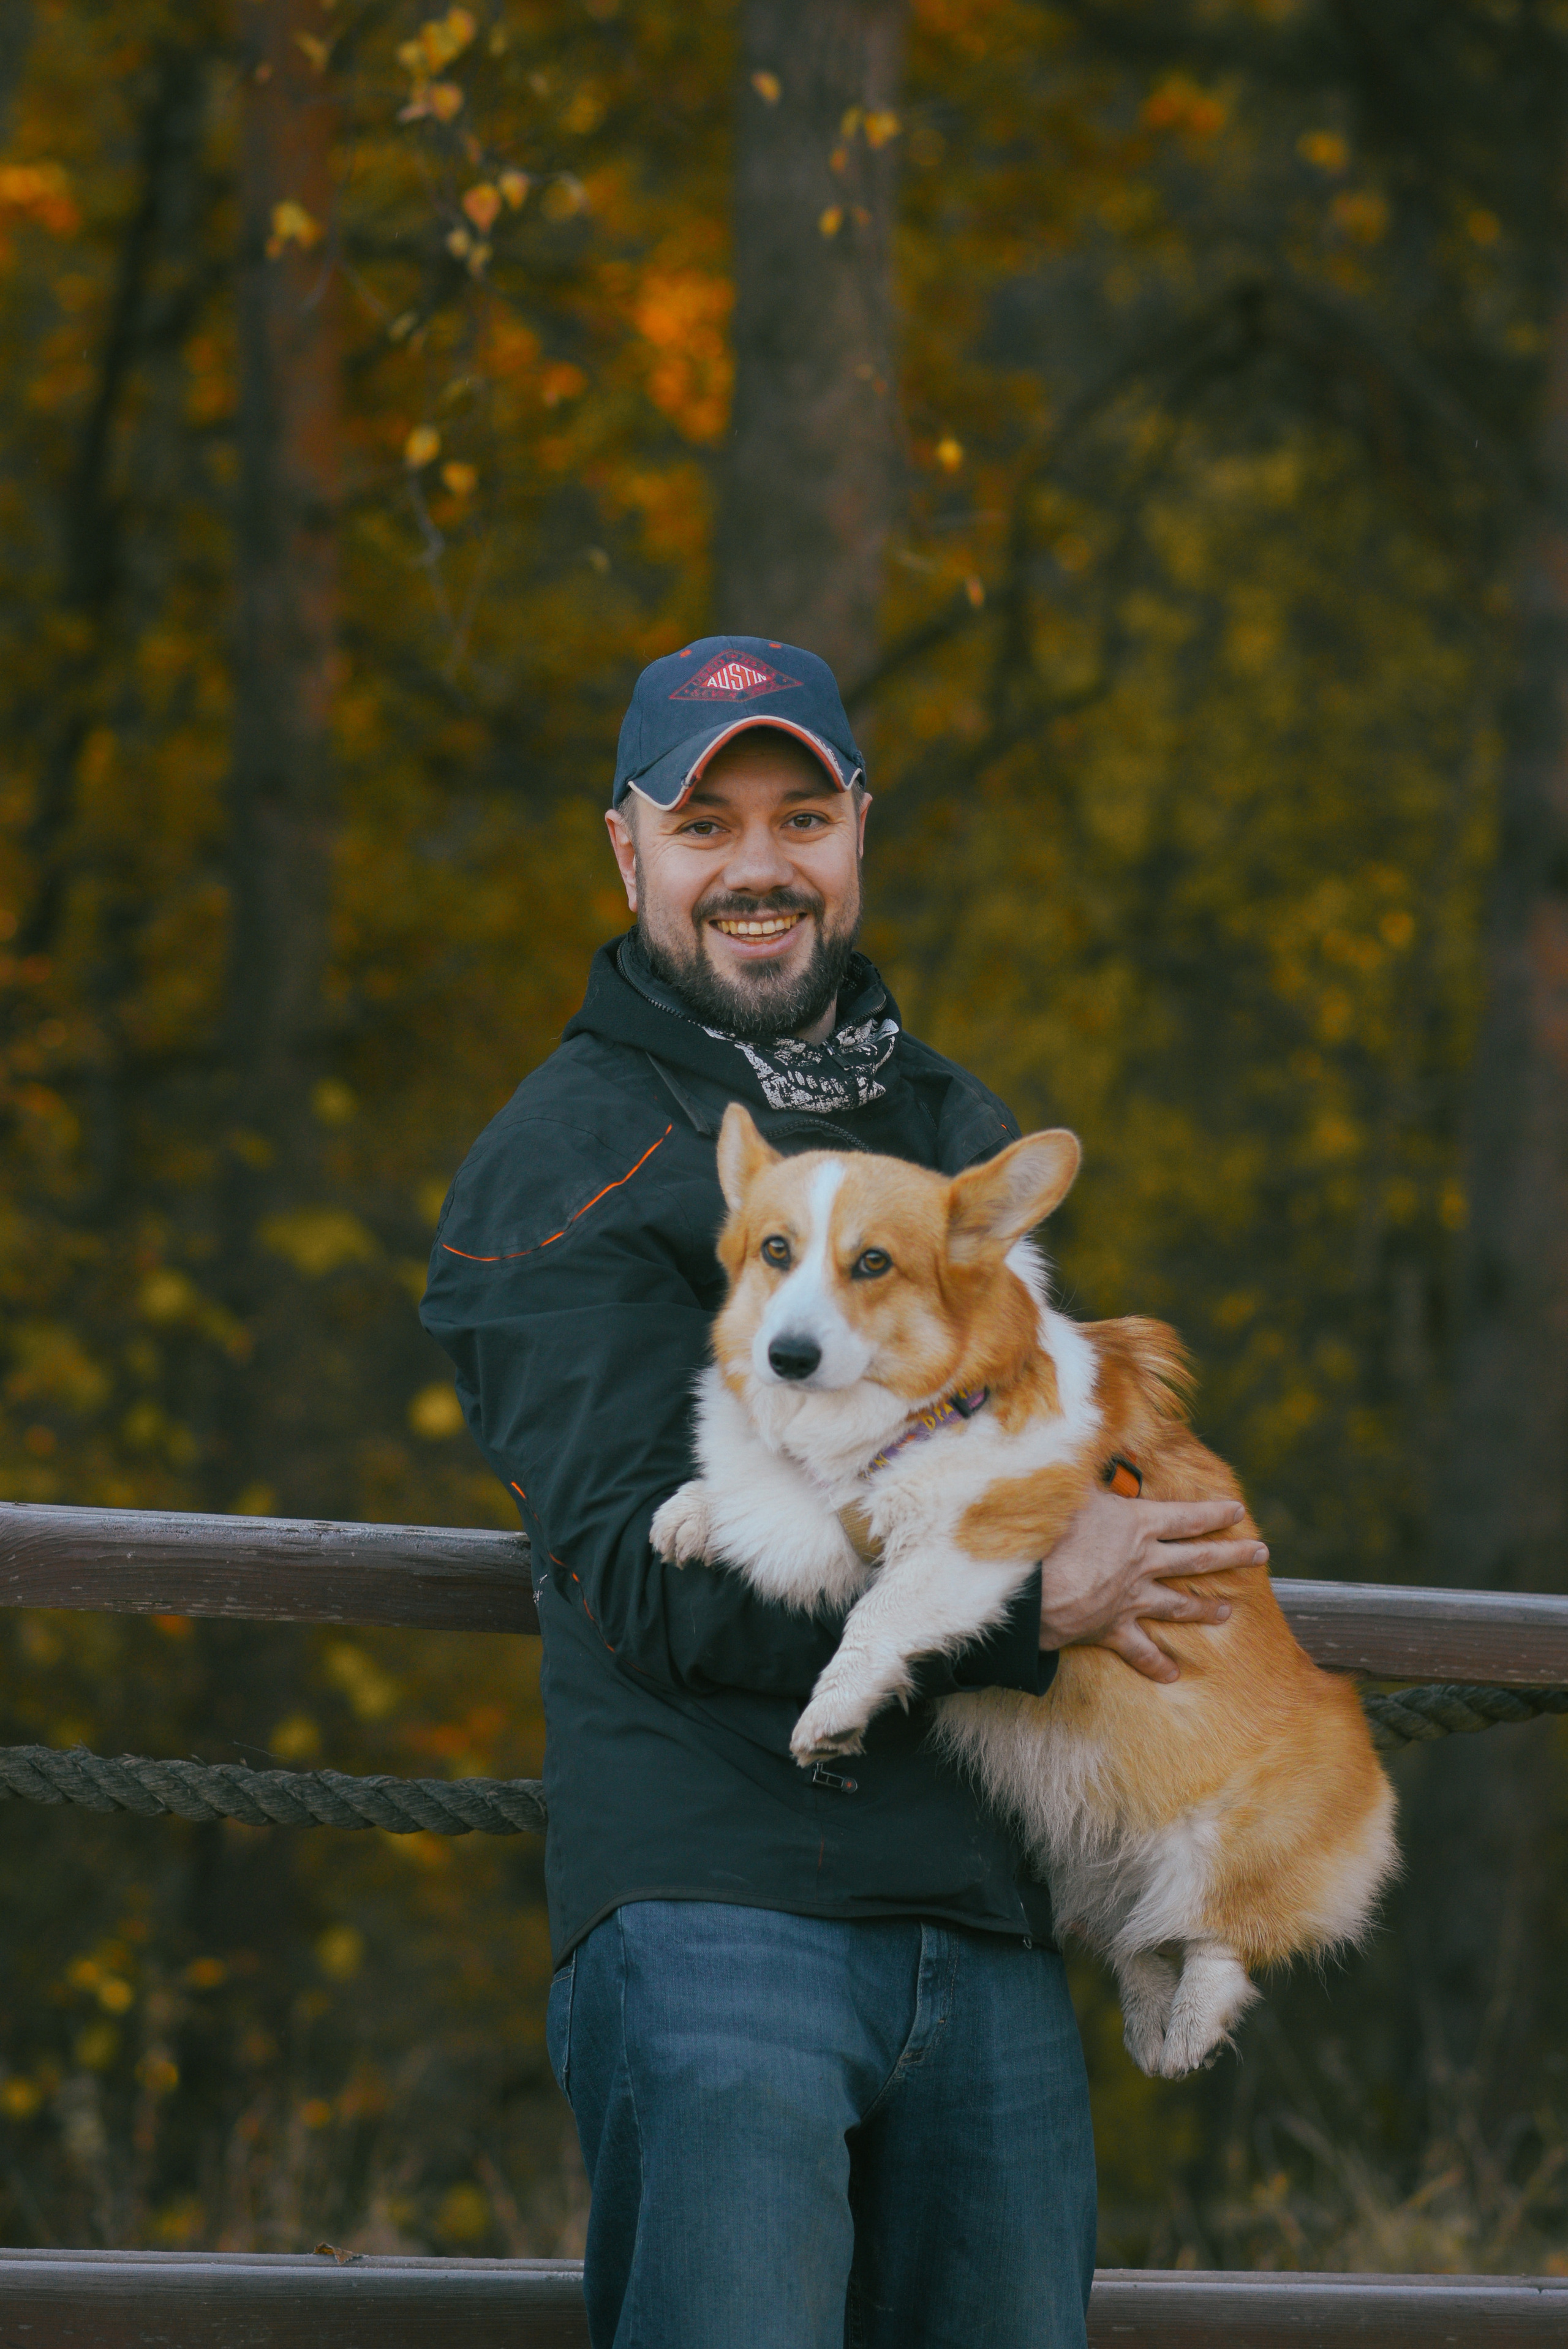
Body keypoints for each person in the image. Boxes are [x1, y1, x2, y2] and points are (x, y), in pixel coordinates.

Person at [421, 636, 1264, 2349]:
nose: (758, 866)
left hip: (985, 1920)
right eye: (704, 820)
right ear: (629, 849)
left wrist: (1167, 1537)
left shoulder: (953, 1130)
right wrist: (1038, 1595)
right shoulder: (568, 1155)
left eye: (800, 815)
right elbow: (657, 1584)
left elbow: (1073, 1469)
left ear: (858, 831)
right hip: (723, 1917)